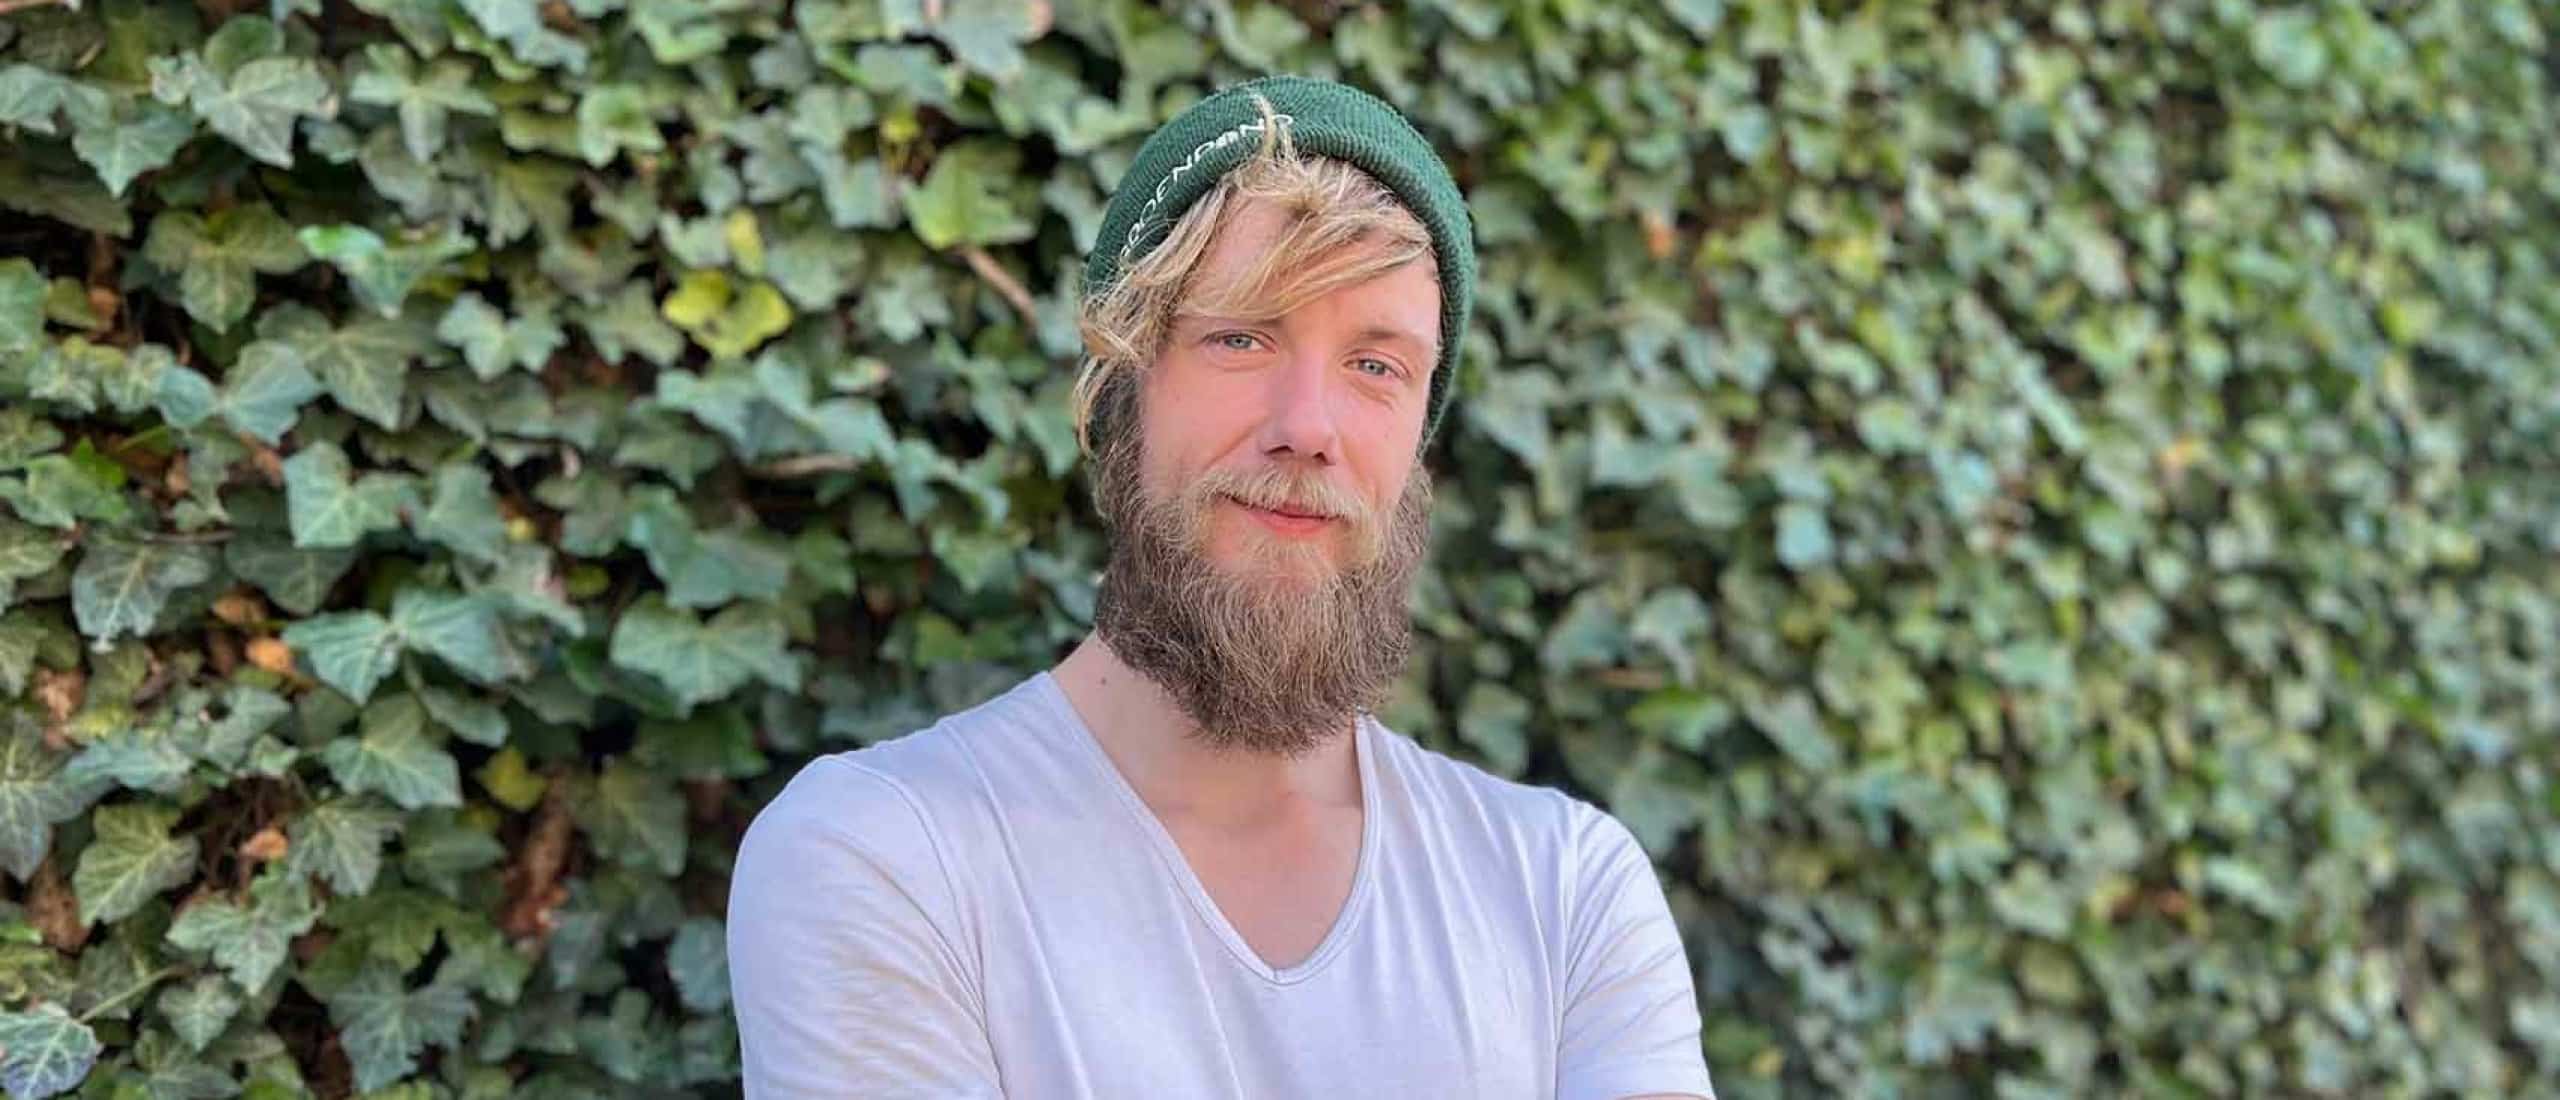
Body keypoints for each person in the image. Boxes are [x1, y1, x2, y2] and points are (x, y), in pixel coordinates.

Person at [727, 74, 1717, 1100]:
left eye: (1376, 365)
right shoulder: (885, 855)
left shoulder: (1566, 891)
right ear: (1121, 392)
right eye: (1240, 337)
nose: (1309, 426)